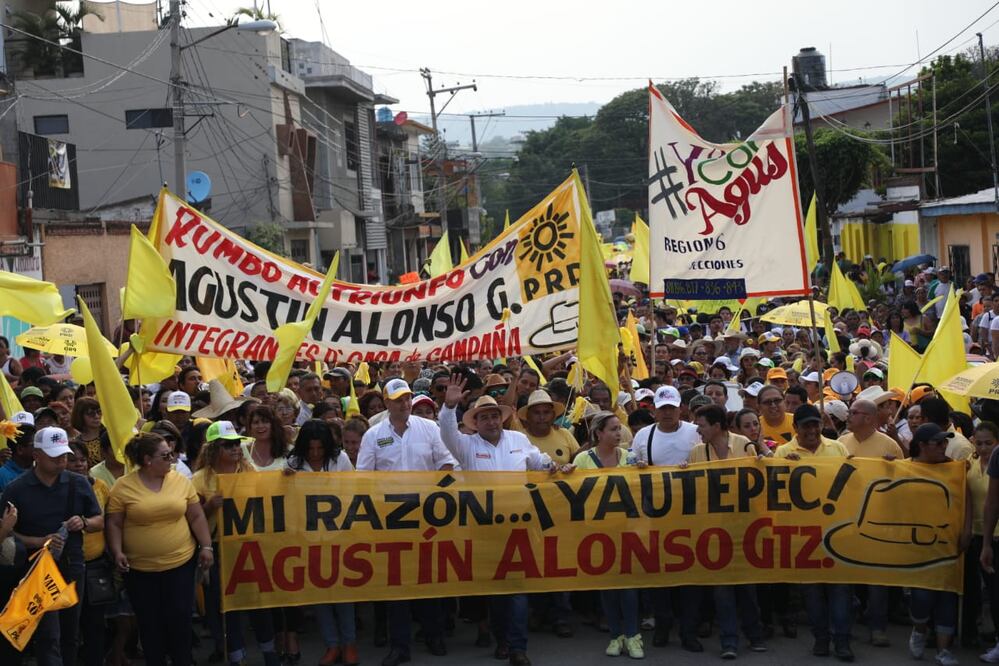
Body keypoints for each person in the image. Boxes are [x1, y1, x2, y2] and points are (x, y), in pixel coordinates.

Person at [440, 375, 564, 666]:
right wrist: (448, 406)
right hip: (484, 528)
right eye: (484, 417)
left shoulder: (519, 440)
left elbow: (539, 461)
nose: (492, 422)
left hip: (519, 525)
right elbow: (446, 433)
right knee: (496, 591)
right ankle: (503, 640)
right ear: (475, 422)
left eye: (495, 416)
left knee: (518, 589)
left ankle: (518, 647)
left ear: (502, 418)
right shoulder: (466, 446)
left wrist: (557, 467)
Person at [356, 378, 457, 666]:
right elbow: (364, 476)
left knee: (428, 580)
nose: (404, 403)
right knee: (396, 585)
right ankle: (400, 645)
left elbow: (446, 463)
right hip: (391, 520)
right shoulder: (373, 435)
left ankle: (433, 634)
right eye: (398, 398)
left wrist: (441, 496)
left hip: (427, 516)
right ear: (387, 402)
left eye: (408, 397)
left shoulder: (429, 428)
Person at [106, 432, 213, 666]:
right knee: (150, 623)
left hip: (180, 564)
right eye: (165, 455)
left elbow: (195, 516)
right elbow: (114, 523)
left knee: (179, 620)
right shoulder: (123, 487)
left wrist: (206, 546)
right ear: (147, 460)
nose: (172, 458)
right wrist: (117, 552)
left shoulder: (180, 481)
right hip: (140, 569)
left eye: (172, 453)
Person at [1, 426, 103, 666]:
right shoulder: (16, 489)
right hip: (35, 571)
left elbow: (99, 520)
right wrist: (37, 542)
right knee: (49, 636)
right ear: (36, 455)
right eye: (54, 455)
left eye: (64, 455)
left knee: (70, 631)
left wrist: (84, 522)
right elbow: (7, 531)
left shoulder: (79, 483)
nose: (62, 460)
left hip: (72, 566)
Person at [193, 421, 281, 666]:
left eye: (236, 444)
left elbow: (267, 497)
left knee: (258, 602)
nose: (234, 449)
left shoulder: (248, 471)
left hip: (249, 546)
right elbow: (191, 515)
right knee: (225, 607)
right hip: (218, 549)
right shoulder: (199, 479)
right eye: (228, 445)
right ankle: (236, 656)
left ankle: (269, 652)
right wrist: (210, 506)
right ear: (213, 449)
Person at [774, 405, 854, 660]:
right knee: (812, 592)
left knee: (840, 590)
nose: (812, 430)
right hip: (803, 534)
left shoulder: (838, 448)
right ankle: (821, 638)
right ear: (795, 428)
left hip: (836, 531)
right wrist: (784, 468)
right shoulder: (783, 452)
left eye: (815, 424)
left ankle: (842, 641)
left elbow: (853, 483)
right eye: (806, 426)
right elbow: (776, 492)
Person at [286, 420, 357, 665]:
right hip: (307, 539)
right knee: (319, 594)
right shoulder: (292, 464)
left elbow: (353, 494)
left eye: (320, 449)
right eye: (311, 449)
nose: (315, 454)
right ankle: (332, 645)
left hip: (339, 536)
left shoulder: (341, 460)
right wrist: (283, 480)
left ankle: (349, 644)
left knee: (343, 594)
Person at [574, 411, 643, 659]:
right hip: (597, 532)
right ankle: (616, 635)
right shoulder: (582, 460)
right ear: (598, 433)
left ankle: (633, 635)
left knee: (628, 586)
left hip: (626, 530)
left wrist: (645, 472)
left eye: (619, 428)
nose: (618, 433)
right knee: (608, 587)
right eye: (613, 428)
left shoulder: (630, 458)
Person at [907, 423, 970, 666]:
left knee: (947, 596)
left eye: (946, 441)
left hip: (948, 542)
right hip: (916, 546)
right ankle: (919, 628)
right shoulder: (905, 468)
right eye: (938, 442)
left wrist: (965, 530)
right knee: (922, 597)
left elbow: (967, 501)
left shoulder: (955, 470)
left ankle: (944, 651)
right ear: (922, 446)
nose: (944, 446)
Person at [67, 438, 111, 666]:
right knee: (71, 626)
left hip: (96, 565)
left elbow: (107, 521)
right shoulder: (60, 488)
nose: (79, 465)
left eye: (83, 460)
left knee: (95, 624)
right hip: (67, 567)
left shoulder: (100, 486)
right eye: (73, 460)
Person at [966, 422, 999, 656]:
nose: (984, 447)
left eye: (989, 442)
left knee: (996, 592)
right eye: (980, 443)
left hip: (996, 536)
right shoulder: (970, 463)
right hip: (975, 534)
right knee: (978, 590)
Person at [515, 389, 578, 465]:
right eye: (536, 413)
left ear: (553, 415)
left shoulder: (564, 434)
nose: (542, 417)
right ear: (528, 416)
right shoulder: (518, 439)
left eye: (546, 412)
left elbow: (578, 460)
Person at [243, 405, 289, 471]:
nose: (260, 426)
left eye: (265, 421)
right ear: (250, 427)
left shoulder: (288, 449)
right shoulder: (241, 450)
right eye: (256, 422)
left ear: (274, 425)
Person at [0, 411, 35, 490]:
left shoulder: (41, 471)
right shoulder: (2, 476)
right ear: (20, 449)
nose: (38, 448)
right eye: (33, 445)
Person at [71, 396, 105, 466]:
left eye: (99, 412)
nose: (96, 416)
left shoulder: (110, 436)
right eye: (91, 413)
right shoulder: (76, 443)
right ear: (80, 416)